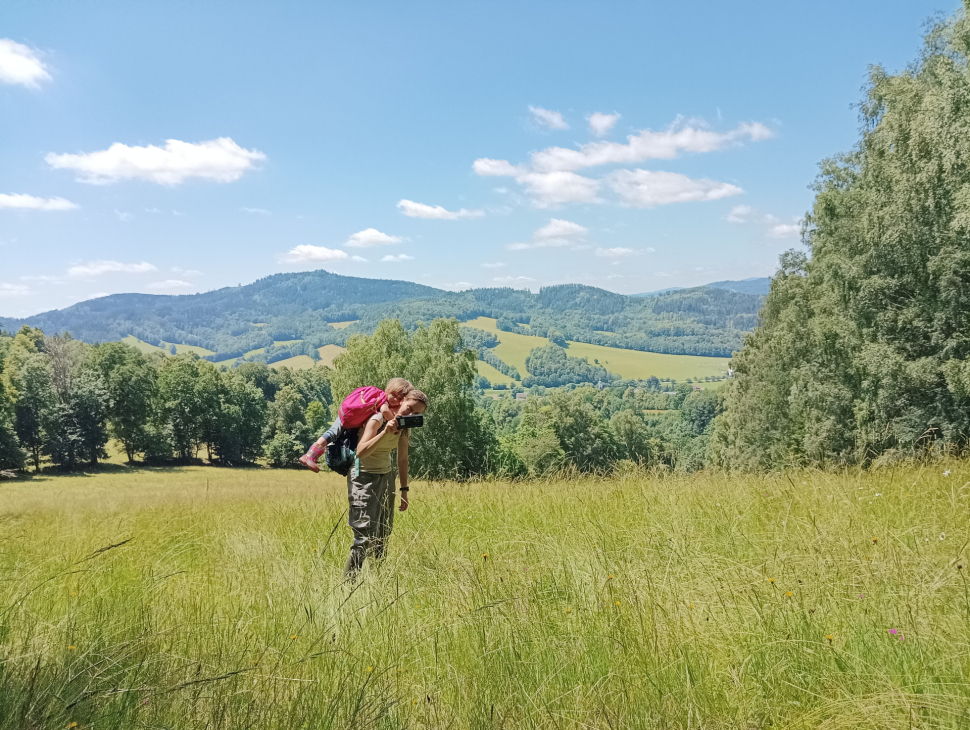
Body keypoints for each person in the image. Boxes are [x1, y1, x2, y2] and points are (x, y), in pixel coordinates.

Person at [344, 389, 428, 579]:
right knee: (364, 536)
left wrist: (404, 491)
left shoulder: (404, 428)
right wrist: (385, 432)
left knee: (383, 532)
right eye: (410, 408)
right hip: (363, 477)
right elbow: (360, 452)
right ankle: (347, 586)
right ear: (402, 401)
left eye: (417, 413)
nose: (411, 414)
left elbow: (403, 460)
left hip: (386, 477)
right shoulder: (377, 419)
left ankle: (378, 581)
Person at [299, 377, 412, 473]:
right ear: (388, 389)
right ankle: (310, 455)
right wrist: (396, 424)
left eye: (400, 398)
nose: (395, 399)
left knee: (334, 435)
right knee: (332, 433)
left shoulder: (377, 396)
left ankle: (314, 456)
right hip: (348, 417)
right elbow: (385, 412)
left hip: (347, 414)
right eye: (394, 395)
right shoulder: (383, 400)